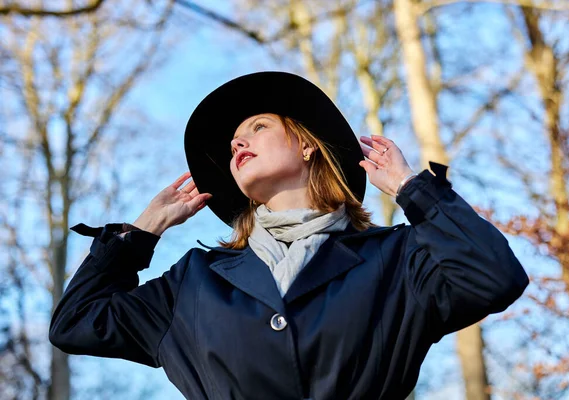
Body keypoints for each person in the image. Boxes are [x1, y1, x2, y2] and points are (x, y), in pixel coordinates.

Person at [49, 71, 529, 400]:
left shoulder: (398, 257)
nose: (238, 141)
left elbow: (494, 277)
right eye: (235, 139)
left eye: (257, 127)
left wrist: (412, 190)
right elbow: (77, 323)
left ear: (305, 144)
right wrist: (141, 233)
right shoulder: (194, 283)